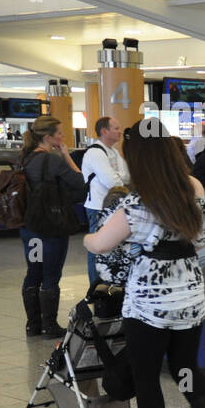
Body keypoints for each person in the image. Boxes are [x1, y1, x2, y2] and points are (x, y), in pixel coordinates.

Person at [83, 118, 205, 408]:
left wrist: (96, 235)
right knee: (186, 368)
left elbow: (99, 243)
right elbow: (204, 239)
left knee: (147, 375)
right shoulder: (195, 187)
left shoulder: (136, 203)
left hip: (148, 304)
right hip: (190, 297)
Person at [18, 115, 85, 338]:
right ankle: (49, 326)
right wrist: (66, 155)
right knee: (51, 275)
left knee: (33, 272)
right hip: (52, 225)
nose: (63, 137)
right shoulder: (53, 160)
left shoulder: (24, 159)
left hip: (30, 226)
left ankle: (32, 325)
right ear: (47, 137)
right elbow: (79, 182)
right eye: (60, 133)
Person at [82, 116, 130, 285]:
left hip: (114, 207)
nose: (120, 132)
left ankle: (110, 286)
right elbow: (112, 182)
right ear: (104, 131)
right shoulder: (95, 152)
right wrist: (118, 177)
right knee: (97, 248)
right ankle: (96, 287)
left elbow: (126, 176)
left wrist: (117, 177)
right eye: (116, 128)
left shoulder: (114, 152)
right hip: (97, 208)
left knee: (113, 248)